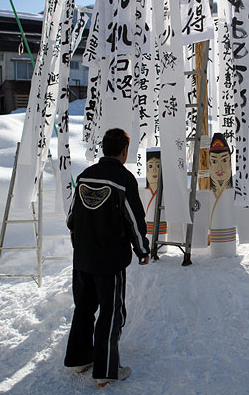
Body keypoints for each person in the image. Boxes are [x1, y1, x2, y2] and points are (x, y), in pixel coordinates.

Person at [64, 128, 151, 386]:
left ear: (104, 148)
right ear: (124, 151)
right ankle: (105, 370)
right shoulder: (123, 179)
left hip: (82, 257)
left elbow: (71, 219)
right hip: (109, 260)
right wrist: (142, 250)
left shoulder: (84, 176)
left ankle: (79, 359)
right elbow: (135, 221)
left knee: (84, 308)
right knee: (111, 314)